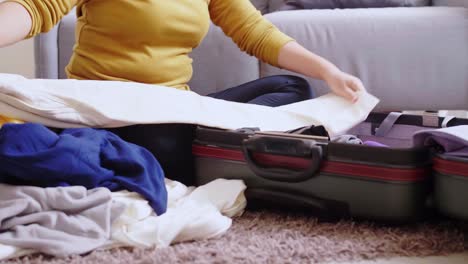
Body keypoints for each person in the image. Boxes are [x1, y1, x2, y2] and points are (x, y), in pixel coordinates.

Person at [0, 0, 365, 185]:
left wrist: (328, 71)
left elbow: (254, 31)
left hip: (174, 107)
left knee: (292, 87)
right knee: (163, 139)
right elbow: (36, 7)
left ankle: (201, 148)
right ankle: (213, 152)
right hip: (109, 111)